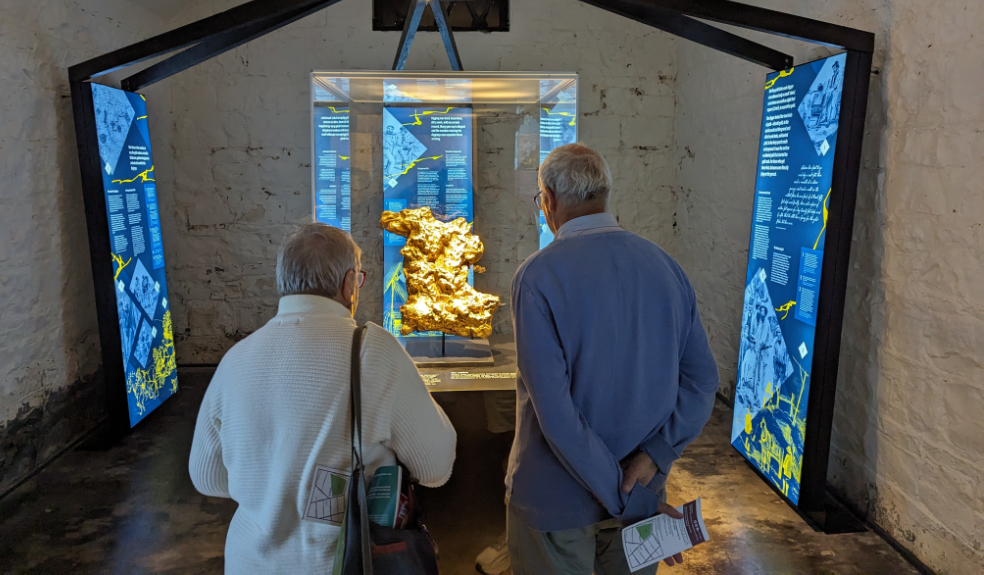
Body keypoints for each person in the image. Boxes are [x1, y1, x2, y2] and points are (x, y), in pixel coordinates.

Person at [189, 223, 457, 575]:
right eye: (360, 279)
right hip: (346, 561)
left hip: (249, 563)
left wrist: (270, 483)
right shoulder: (372, 351)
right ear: (349, 284)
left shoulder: (236, 358)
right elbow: (436, 468)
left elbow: (206, 477)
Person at [505, 144, 720, 575]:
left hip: (558, 503)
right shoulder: (666, 267)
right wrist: (655, 457)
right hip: (643, 495)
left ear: (547, 200)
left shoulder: (538, 277)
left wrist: (621, 495)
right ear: (606, 193)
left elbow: (558, 418)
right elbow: (702, 382)